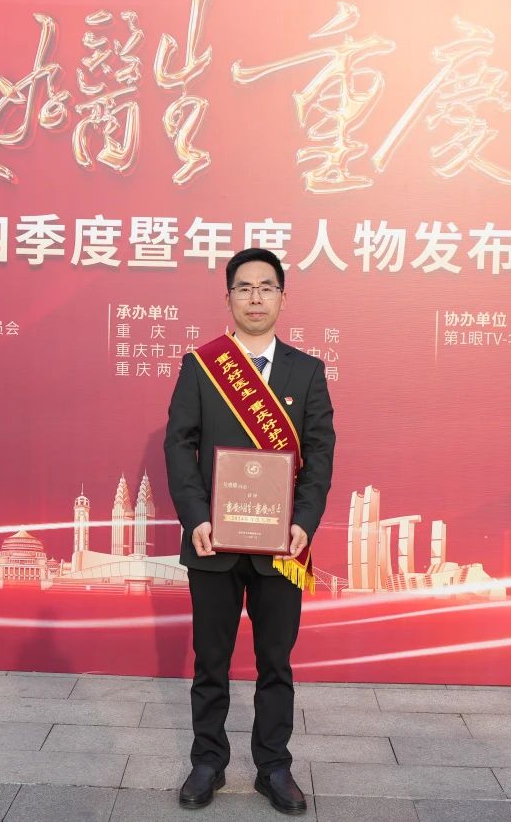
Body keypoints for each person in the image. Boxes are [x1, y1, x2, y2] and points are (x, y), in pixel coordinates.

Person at [164, 248, 336, 814]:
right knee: (210, 660)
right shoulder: (201, 366)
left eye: (266, 287)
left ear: (282, 297)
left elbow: (320, 455)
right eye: (244, 287)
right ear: (229, 298)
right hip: (213, 540)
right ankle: (207, 762)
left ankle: (274, 766)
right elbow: (179, 446)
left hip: (281, 546)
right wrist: (197, 517)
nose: (255, 297)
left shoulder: (306, 371)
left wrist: (304, 523)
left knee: (275, 662)